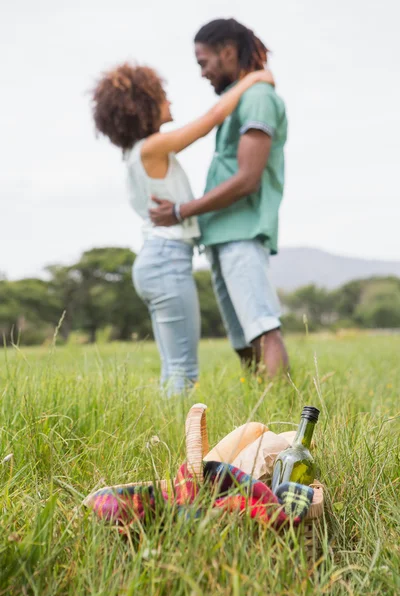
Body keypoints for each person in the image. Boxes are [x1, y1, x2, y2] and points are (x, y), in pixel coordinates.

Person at [91, 62, 274, 394]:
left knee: (173, 367)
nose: (170, 102)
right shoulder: (152, 147)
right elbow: (210, 121)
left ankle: (163, 429)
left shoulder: (136, 153)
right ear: (143, 108)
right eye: (162, 97)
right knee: (183, 369)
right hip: (166, 261)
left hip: (157, 261)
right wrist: (253, 81)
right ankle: (174, 438)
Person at [150, 18, 289, 378]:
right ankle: (259, 412)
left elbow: (247, 180)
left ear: (228, 52)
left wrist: (181, 211)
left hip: (241, 232)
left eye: (204, 62)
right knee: (243, 339)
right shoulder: (243, 97)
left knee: (262, 326)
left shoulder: (258, 97)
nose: (202, 73)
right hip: (221, 235)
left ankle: (283, 413)